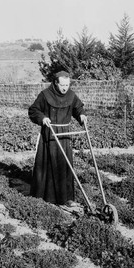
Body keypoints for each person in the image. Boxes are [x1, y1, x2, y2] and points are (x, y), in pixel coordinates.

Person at [28, 71, 87, 207]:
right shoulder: (45, 95)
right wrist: (42, 118)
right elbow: (34, 110)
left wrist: (82, 115)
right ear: (55, 82)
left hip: (64, 135)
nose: (65, 88)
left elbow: (78, 108)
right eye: (62, 85)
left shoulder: (71, 95)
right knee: (47, 164)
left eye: (67, 85)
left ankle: (66, 198)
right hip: (49, 134)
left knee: (64, 165)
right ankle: (45, 197)